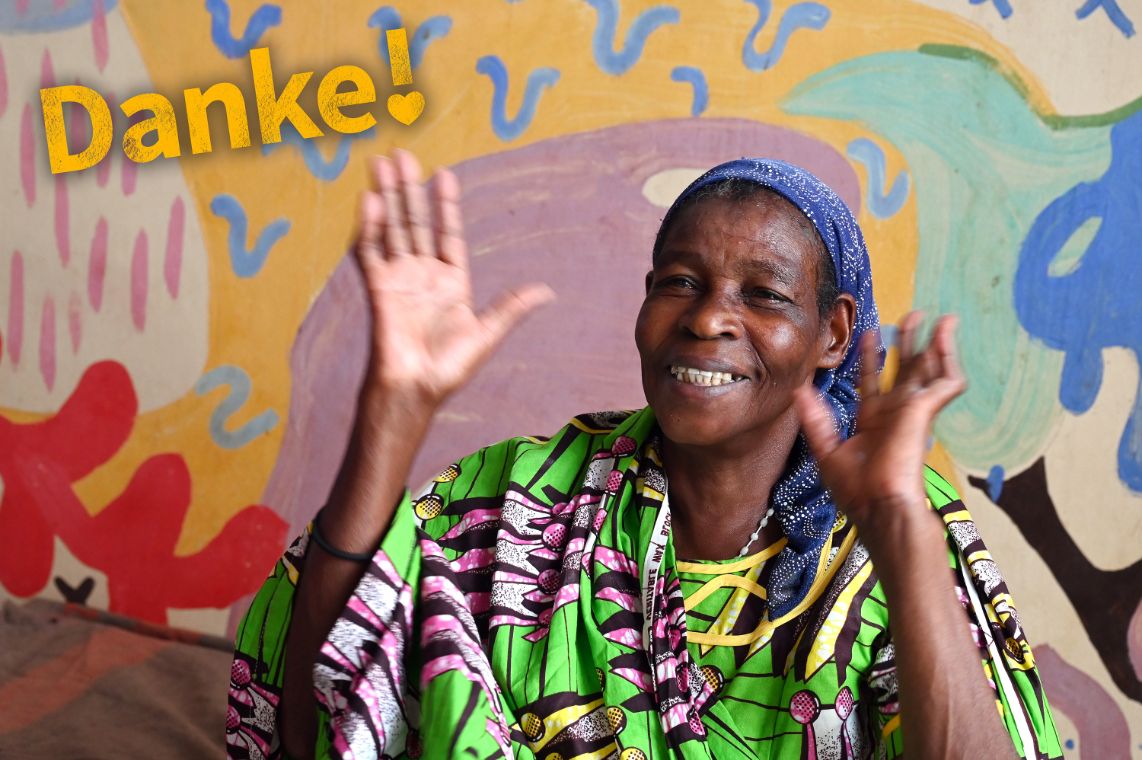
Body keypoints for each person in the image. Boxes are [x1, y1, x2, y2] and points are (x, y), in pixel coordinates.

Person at [226, 152, 1062, 760]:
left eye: (763, 295)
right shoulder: (521, 499)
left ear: (833, 333)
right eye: (679, 281)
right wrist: (392, 413)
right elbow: (317, 724)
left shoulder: (899, 524)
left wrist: (900, 528)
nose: (706, 319)